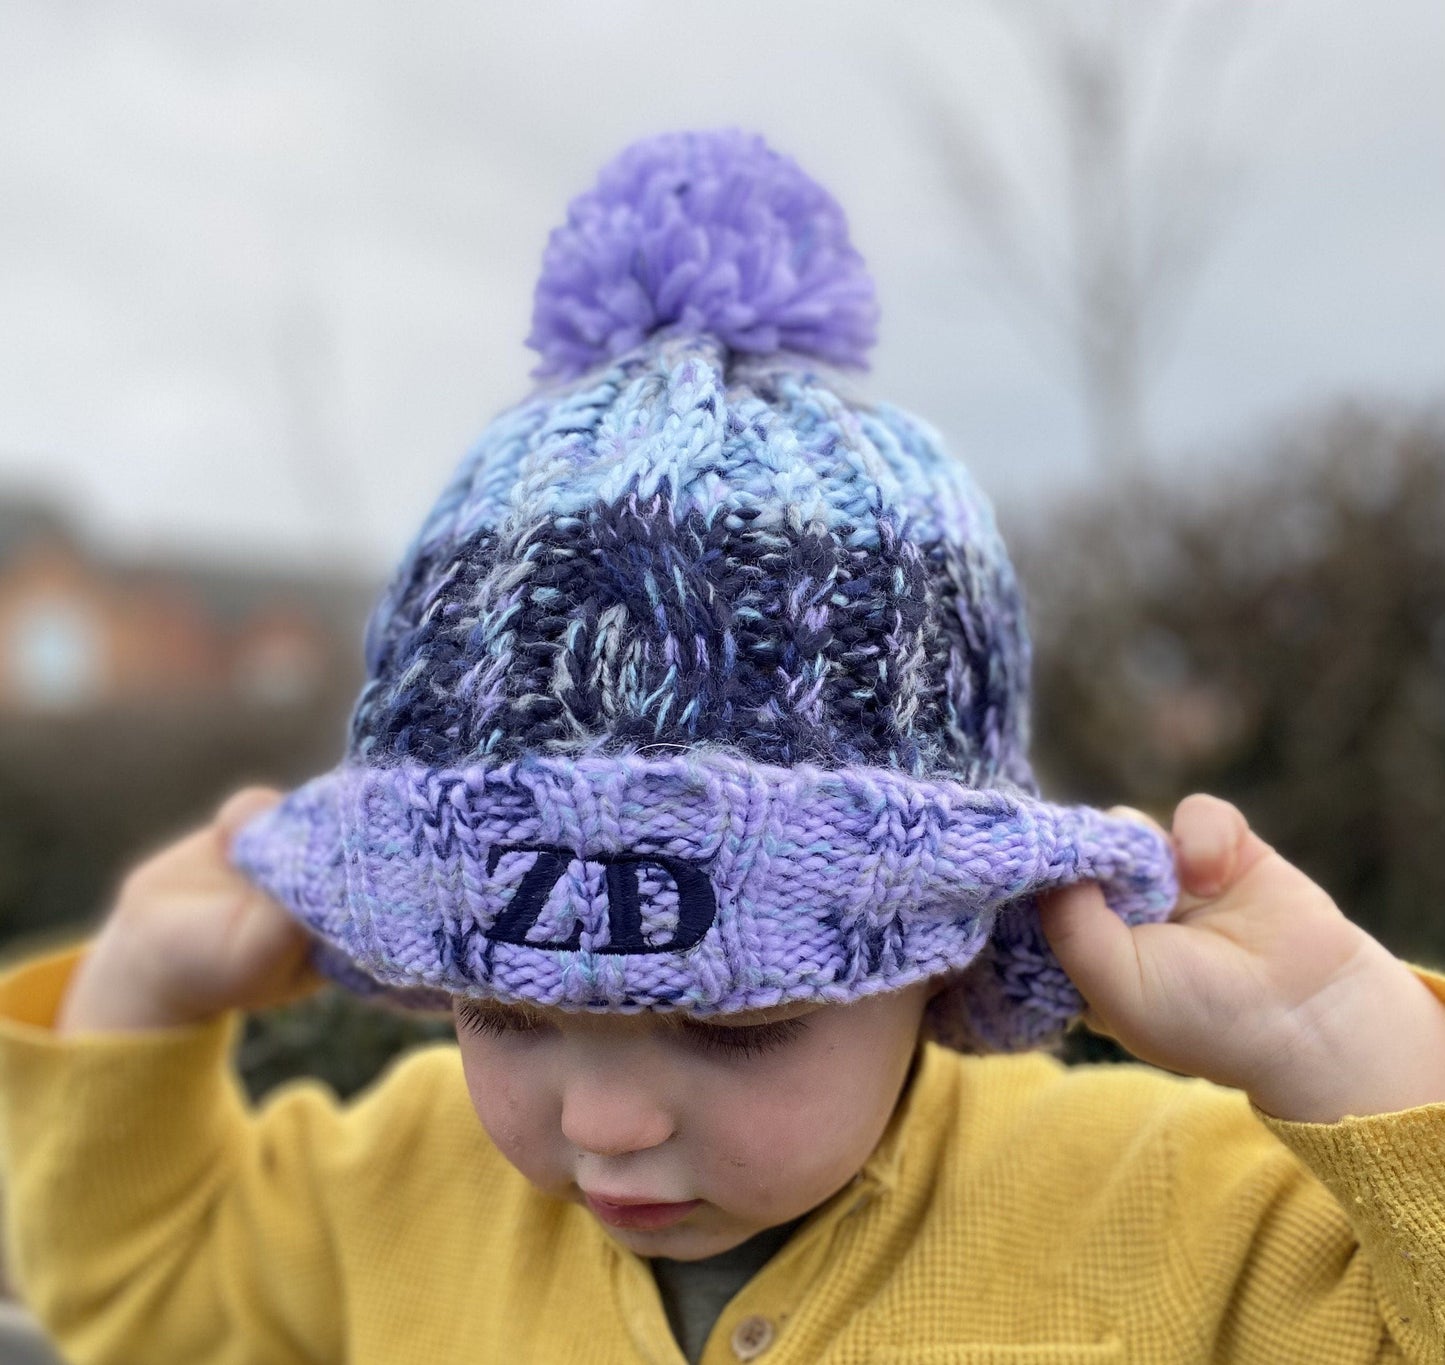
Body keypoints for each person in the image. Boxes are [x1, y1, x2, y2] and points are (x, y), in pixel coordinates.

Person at [0, 130, 1441, 1365]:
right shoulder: (394, 1190)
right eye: (505, 1009)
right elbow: (147, 1289)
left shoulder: (1167, 1221)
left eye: (739, 1022)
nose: (608, 1119)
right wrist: (133, 994)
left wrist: (1341, 1044)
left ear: (941, 941)